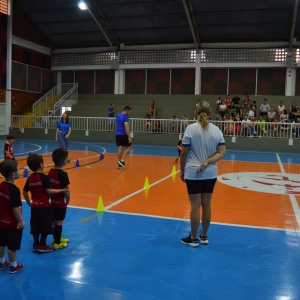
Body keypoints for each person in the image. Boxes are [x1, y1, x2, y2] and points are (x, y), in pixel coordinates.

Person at [180, 101, 226, 247]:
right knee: (206, 205)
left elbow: (184, 153)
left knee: (195, 205)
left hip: (193, 172)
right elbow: (222, 152)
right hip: (210, 173)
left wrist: (182, 170)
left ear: (196, 112)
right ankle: (204, 236)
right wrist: (207, 162)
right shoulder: (216, 130)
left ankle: (193, 238)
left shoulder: (190, 129)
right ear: (210, 113)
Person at [23, 153, 69, 254]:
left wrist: (29, 203)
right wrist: (61, 190)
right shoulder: (44, 177)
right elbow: (49, 191)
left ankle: (35, 244)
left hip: (34, 207)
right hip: (45, 207)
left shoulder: (30, 178)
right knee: (45, 226)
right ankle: (43, 245)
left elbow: (24, 191)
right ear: (41, 165)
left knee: (35, 226)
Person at [0, 159, 25, 274]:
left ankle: (1, 262)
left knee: (1, 243)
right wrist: (20, 221)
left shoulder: (1, 186)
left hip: (1, 222)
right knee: (12, 247)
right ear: (13, 174)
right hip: (11, 224)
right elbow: (15, 208)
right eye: (19, 170)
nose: (21, 171)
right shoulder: (14, 190)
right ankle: (13, 266)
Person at [48, 149, 70, 250]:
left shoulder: (50, 172)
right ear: (64, 161)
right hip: (60, 203)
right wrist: (68, 199)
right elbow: (66, 190)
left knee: (54, 221)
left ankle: (56, 238)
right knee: (59, 222)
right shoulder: (63, 174)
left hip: (51, 202)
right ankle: (57, 243)